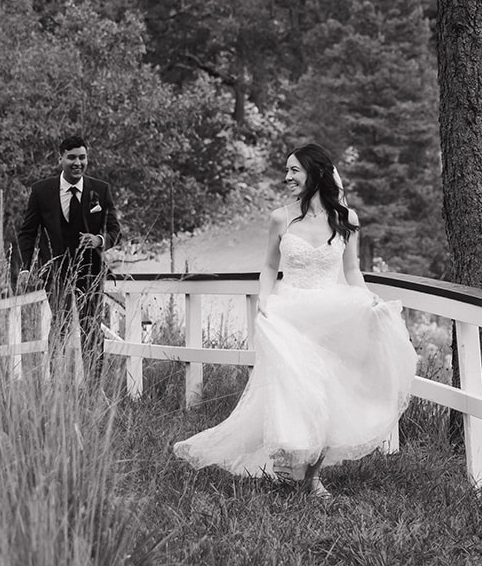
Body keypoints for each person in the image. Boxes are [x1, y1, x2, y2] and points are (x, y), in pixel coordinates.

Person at [174, 143, 418, 498]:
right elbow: (270, 266)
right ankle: (291, 464)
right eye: (286, 170)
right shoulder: (281, 218)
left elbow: (352, 270)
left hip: (333, 315)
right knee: (297, 389)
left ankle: (313, 476)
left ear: (315, 173)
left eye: (294, 170)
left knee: (329, 392)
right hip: (290, 313)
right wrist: (264, 299)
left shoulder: (346, 219)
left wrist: (368, 300)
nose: (286, 177)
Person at [17, 134, 121, 374]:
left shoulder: (100, 190)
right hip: (55, 270)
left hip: (91, 270)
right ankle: (55, 385)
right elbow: (27, 232)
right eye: (72, 157)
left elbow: (115, 230)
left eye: (82, 158)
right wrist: (25, 267)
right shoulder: (42, 191)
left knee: (91, 327)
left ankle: (94, 389)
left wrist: (99, 240)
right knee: (61, 324)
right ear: (60, 158)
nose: (78, 163)